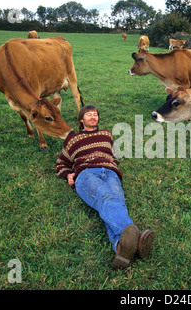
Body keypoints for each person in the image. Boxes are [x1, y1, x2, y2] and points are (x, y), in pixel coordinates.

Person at [55, 105, 155, 270]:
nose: (93, 117)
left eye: (95, 114)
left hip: (110, 172)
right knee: (107, 198)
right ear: (81, 119)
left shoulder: (106, 134)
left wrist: (110, 163)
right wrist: (67, 174)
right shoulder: (73, 140)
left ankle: (120, 248)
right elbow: (61, 163)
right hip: (86, 173)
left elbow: (112, 155)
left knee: (117, 202)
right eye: (89, 114)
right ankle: (137, 241)